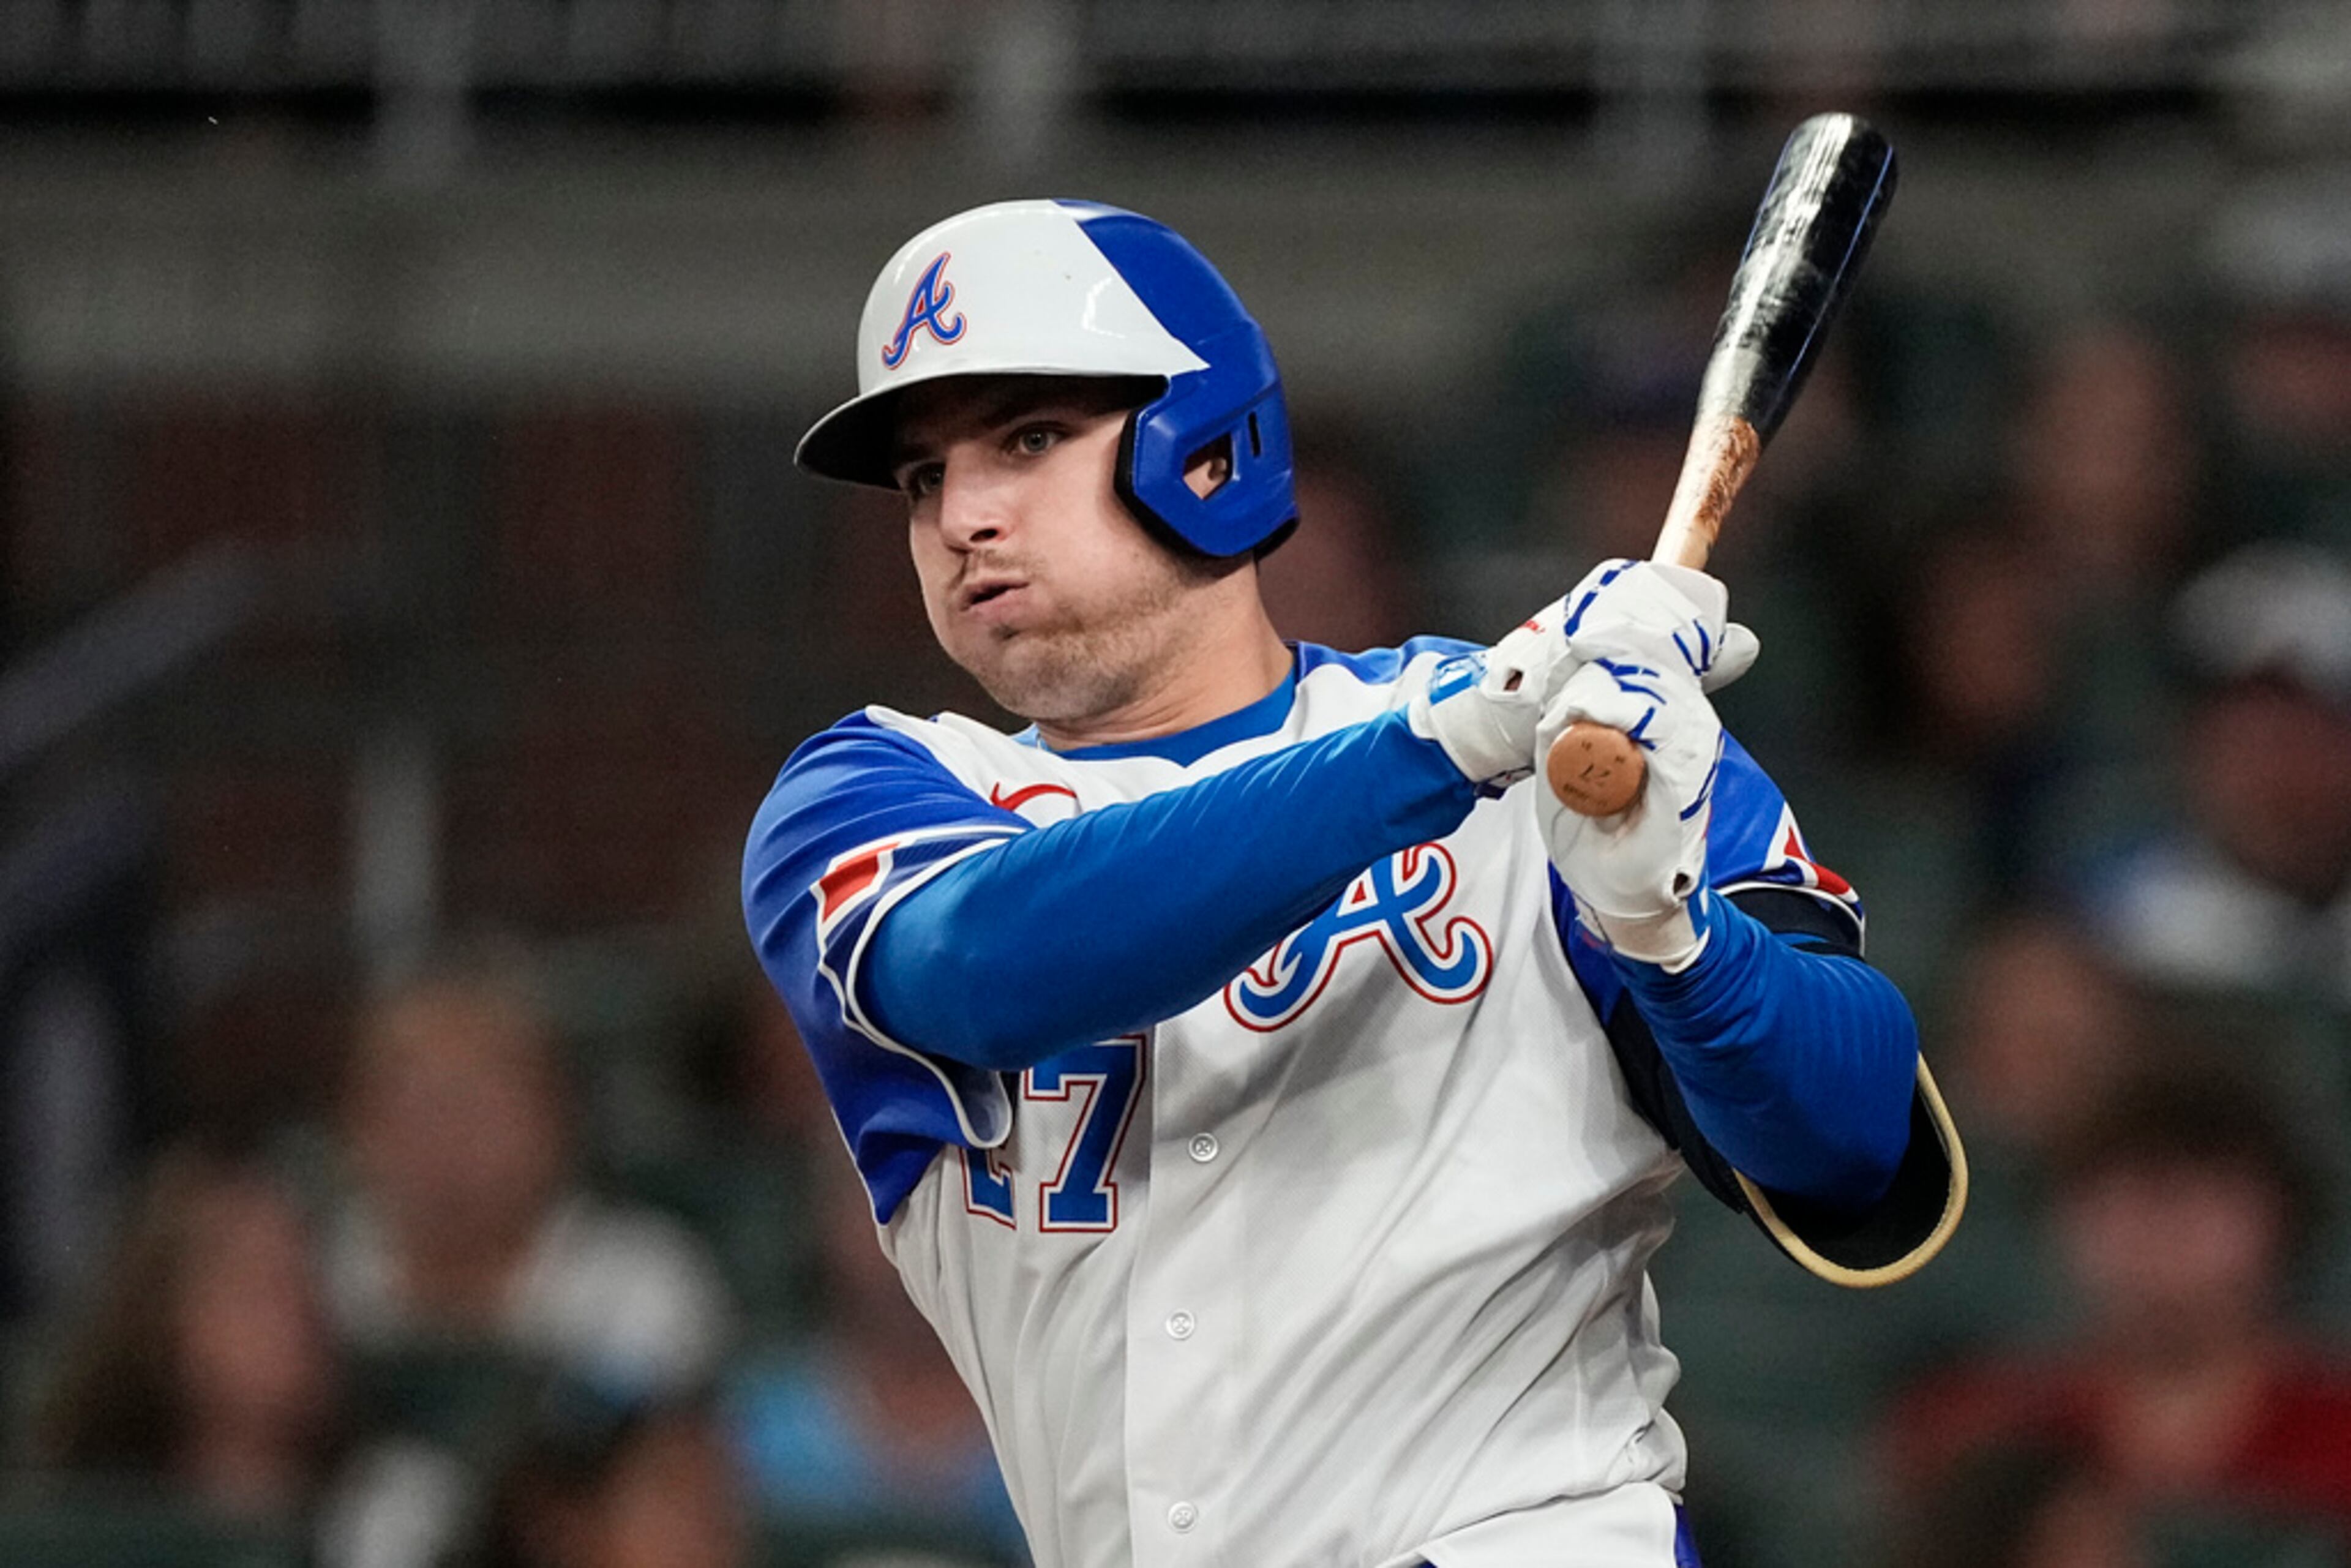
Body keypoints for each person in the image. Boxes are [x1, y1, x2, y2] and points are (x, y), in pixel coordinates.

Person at [741, 200, 1964, 1567]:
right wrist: (1446, 744)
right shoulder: (878, 793)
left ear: (1204, 447)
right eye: (923, 478)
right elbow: (979, 967)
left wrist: (1669, 937)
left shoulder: (1572, 738)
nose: (964, 516)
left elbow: (1852, 1147)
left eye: (1029, 440)